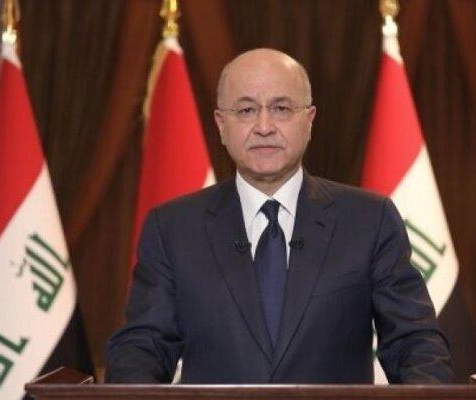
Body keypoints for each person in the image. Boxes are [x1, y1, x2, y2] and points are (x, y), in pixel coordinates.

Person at [105, 48, 453, 384]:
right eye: (246, 110)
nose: (264, 126)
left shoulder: (369, 220)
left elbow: (415, 344)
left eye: (281, 108)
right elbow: (142, 348)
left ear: (309, 120)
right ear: (221, 124)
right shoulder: (173, 228)